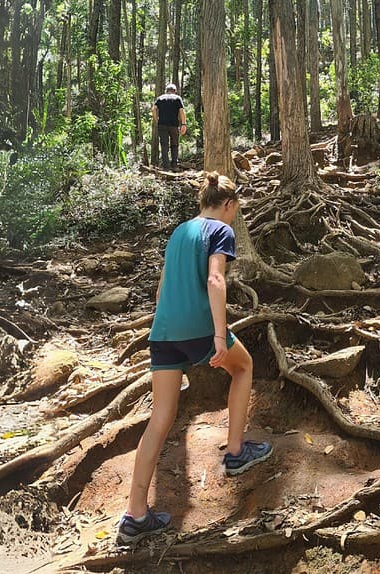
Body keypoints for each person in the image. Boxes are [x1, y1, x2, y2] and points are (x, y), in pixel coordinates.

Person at [116, 172, 273, 545]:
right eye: (235, 211)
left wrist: (165, 329)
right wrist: (219, 335)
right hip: (199, 328)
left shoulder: (178, 233)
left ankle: (134, 515)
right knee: (244, 366)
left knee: (160, 417)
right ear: (229, 205)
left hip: (163, 332)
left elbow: (162, 286)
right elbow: (215, 281)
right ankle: (236, 452)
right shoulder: (220, 230)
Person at [152, 83, 187, 170]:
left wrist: (157, 120)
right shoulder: (177, 98)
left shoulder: (160, 98)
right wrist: (183, 124)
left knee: (164, 145)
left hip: (162, 124)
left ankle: (166, 166)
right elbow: (181, 111)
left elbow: (153, 109)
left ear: (166, 91)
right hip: (174, 125)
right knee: (174, 144)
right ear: (175, 91)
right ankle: (174, 165)